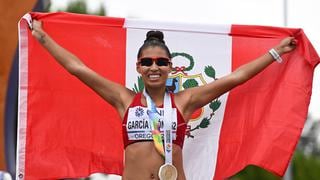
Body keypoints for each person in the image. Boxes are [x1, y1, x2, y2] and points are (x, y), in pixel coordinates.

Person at [31, 19, 296, 180]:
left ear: (170, 66)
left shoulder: (185, 101)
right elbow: (79, 69)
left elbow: (235, 78)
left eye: (161, 62)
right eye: (147, 62)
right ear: (138, 67)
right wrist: (44, 38)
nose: (154, 67)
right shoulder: (124, 99)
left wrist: (275, 52)